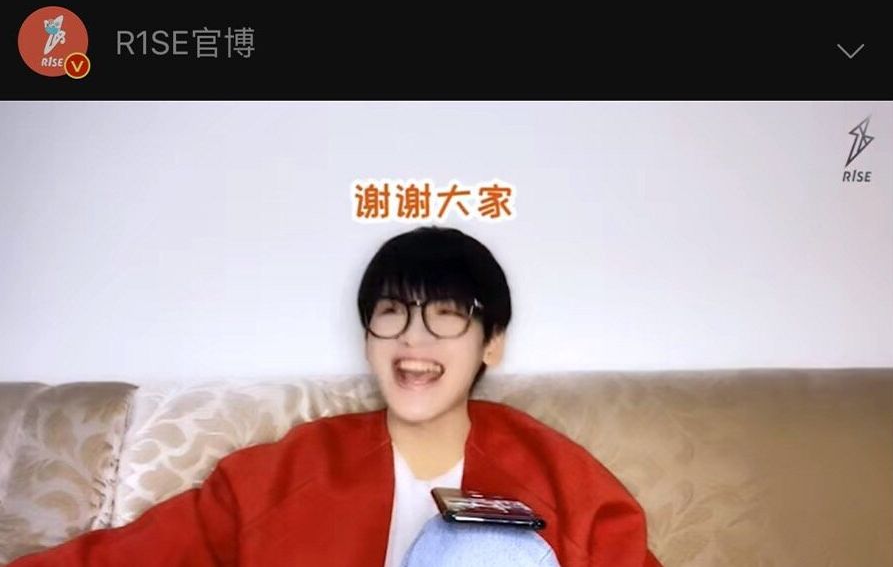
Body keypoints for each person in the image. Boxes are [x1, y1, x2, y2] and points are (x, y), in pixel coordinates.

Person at [10, 226, 662, 566]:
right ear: (367, 337)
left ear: (491, 343)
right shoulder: (286, 474)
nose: (413, 339)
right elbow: (139, 557)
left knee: (483, 553)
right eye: (392, 313)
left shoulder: (554, 475)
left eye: (445, 317)